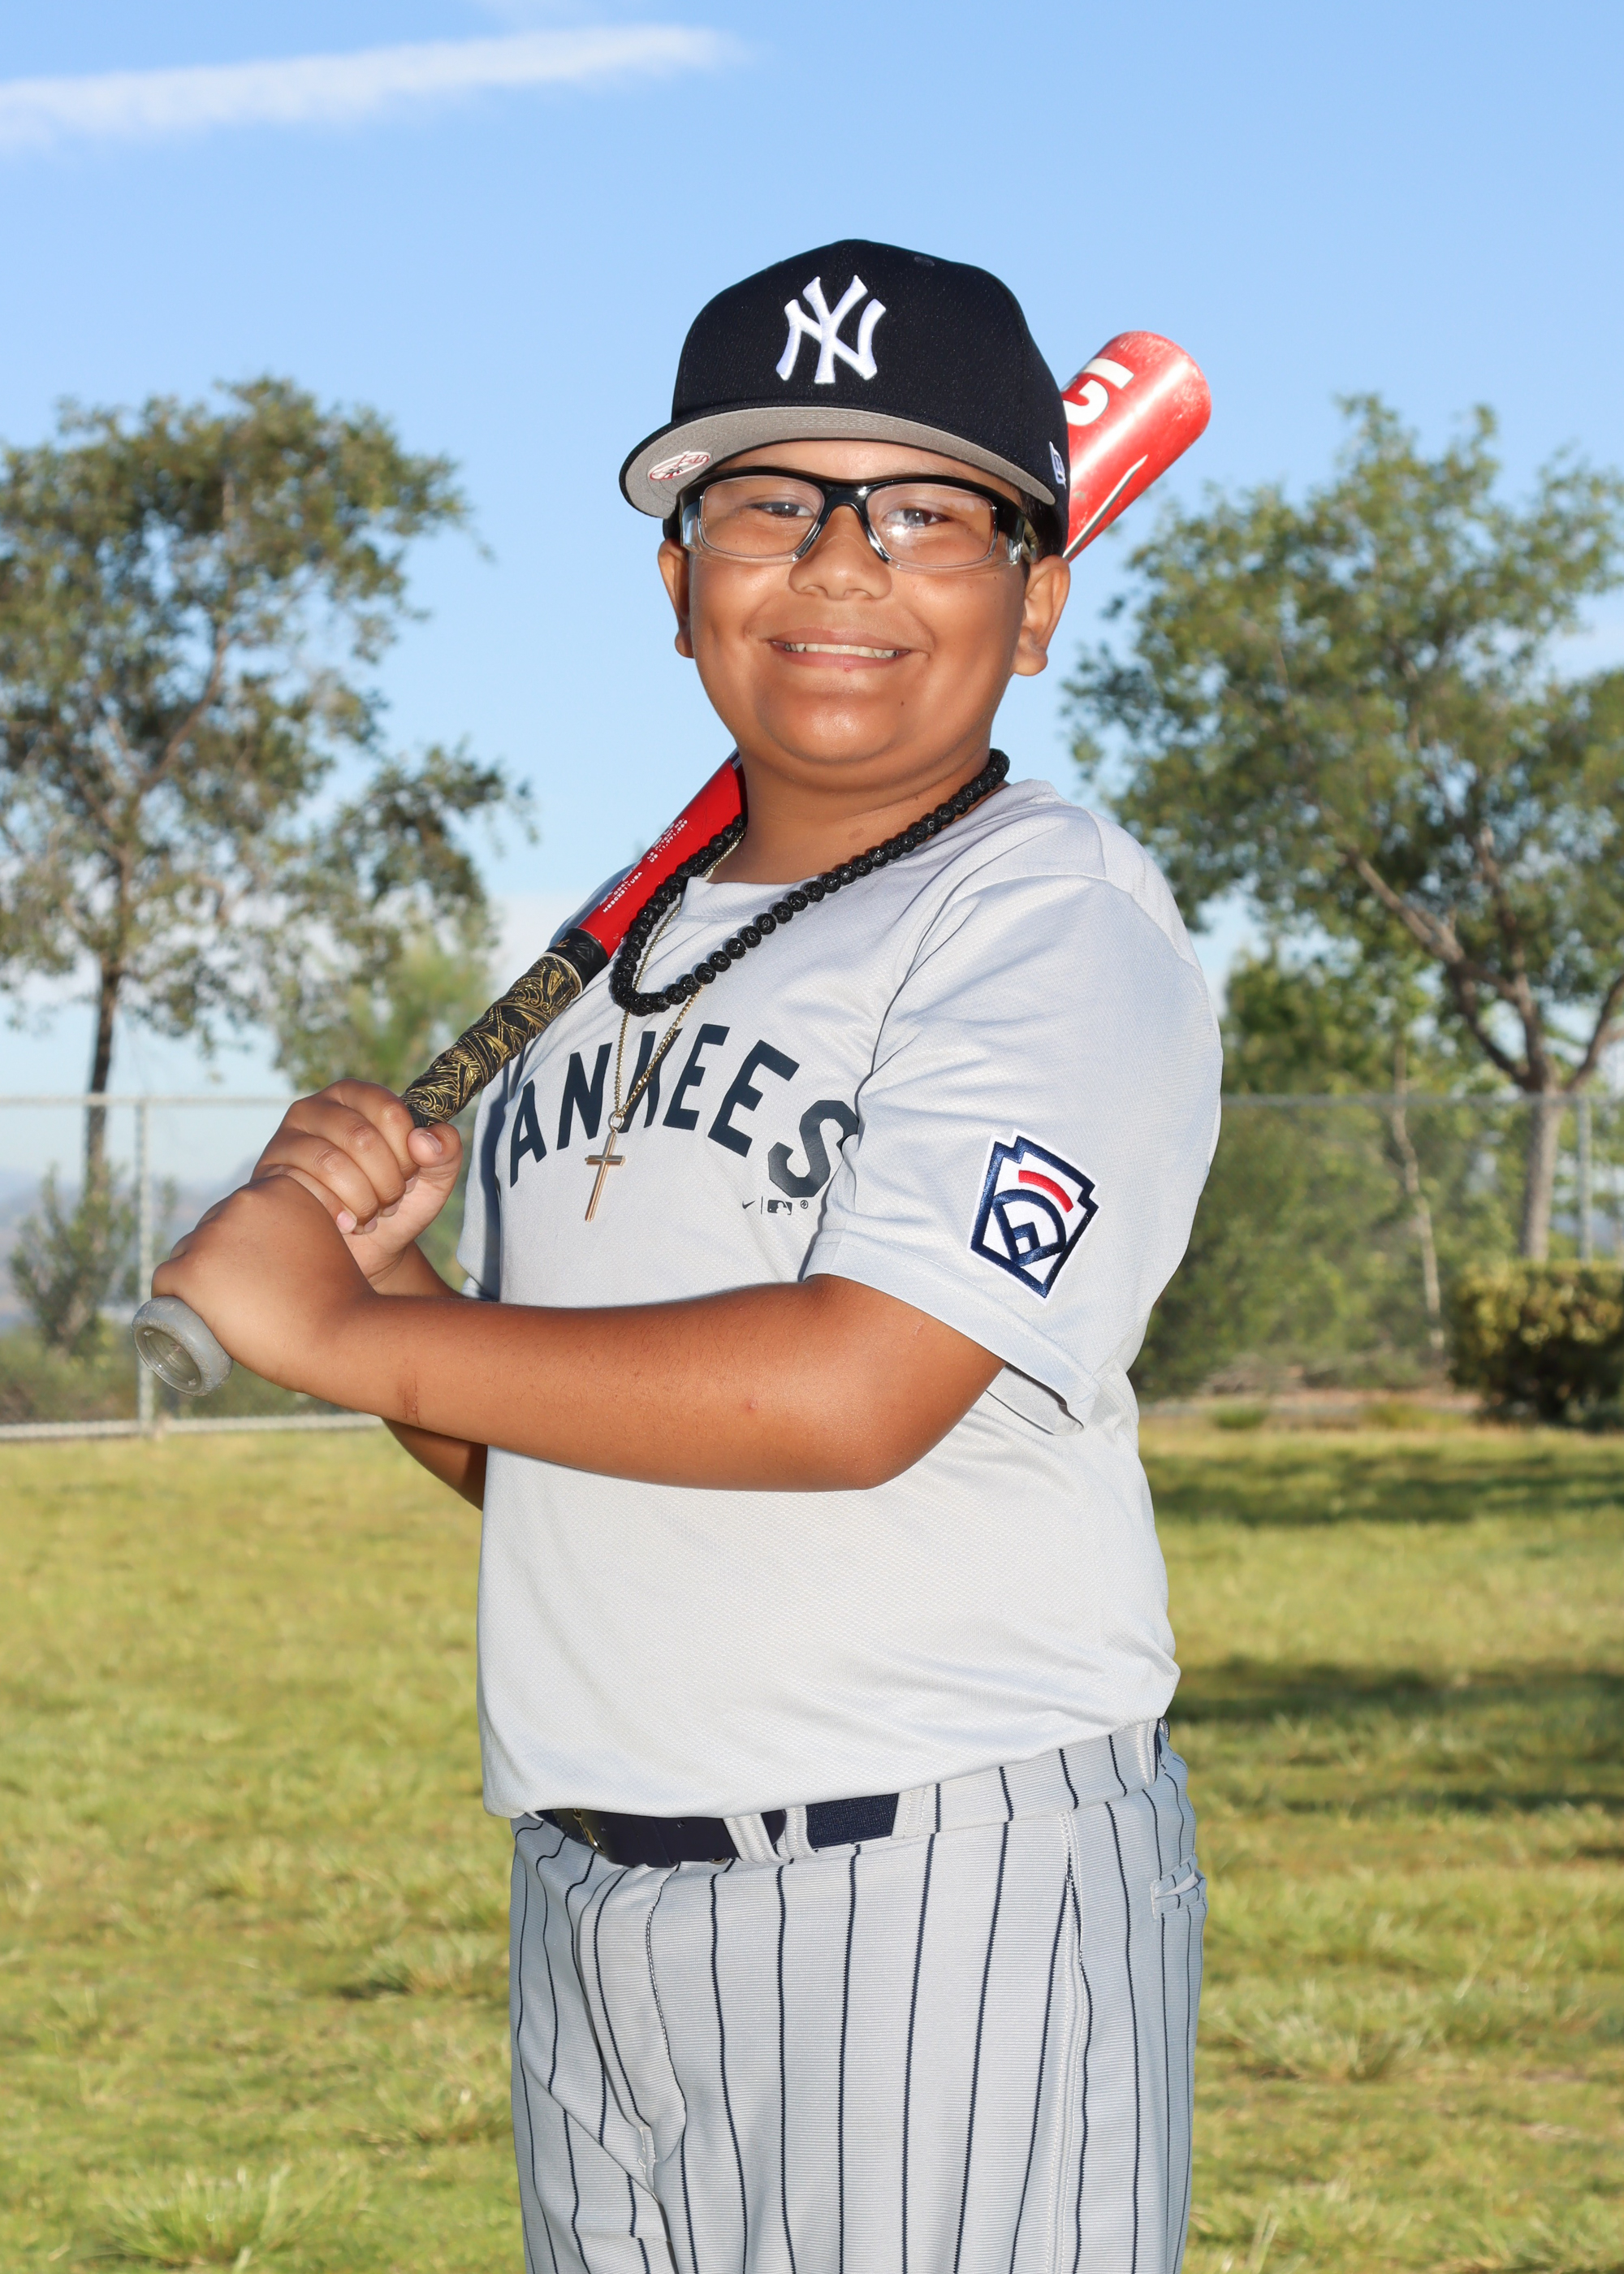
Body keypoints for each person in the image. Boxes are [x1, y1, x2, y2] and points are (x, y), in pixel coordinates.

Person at [156, 239, 1221, 2274]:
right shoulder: (617, 961)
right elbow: (567, 1458)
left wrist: (345, 1337)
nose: (839, 565)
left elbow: (851, 1389)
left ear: (1037, 597)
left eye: (924, 514)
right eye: (769, 506)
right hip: (592, 1885)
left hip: (928, 1877)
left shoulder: (1049, 916)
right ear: (678, 583)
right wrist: (403, 1306)